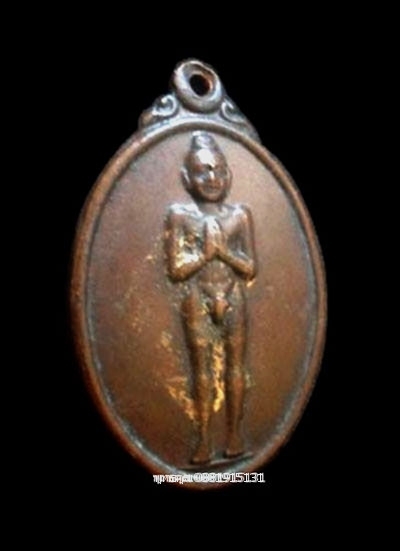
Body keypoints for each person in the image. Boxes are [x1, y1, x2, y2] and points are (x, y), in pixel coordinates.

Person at [166, 132, 256, 464]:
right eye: (203, 171)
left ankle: (234, 436)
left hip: (234, 296)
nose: (212, 178)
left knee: (236, 367)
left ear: (228, 175)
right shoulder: (180, 216)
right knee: (201, 370)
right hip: (197, 298)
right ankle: (203, 439)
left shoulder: (239, 216)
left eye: (218, 170)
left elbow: (250, 268)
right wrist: (205, 256)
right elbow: (176, 270)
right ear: (186, 178)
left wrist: (223, 253)